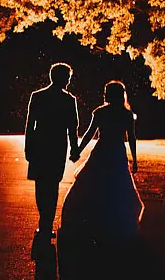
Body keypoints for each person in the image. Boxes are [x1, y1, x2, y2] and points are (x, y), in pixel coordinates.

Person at [60, 80, 143, 243]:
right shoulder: (126, 114)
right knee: (117, 186)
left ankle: (90, 219)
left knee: (93, 184)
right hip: (117, 152)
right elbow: (131, 138)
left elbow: (89, 134)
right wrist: (134, 158)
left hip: (102, 151)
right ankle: (114, 222)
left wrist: (78, 150)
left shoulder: (100, 112)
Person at [24, 62, 80, 245]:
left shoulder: (38, 96)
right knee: (53, 185)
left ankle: (45, 222)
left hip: (39, 145)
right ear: (64, 78)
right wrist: (74, 148)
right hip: (57, 146)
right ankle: (46, 222)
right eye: (68, 77)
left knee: (41, 185)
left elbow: (30, 125)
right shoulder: (69, 100)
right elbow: (73, 127)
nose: (69, 81)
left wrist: (28, 146)